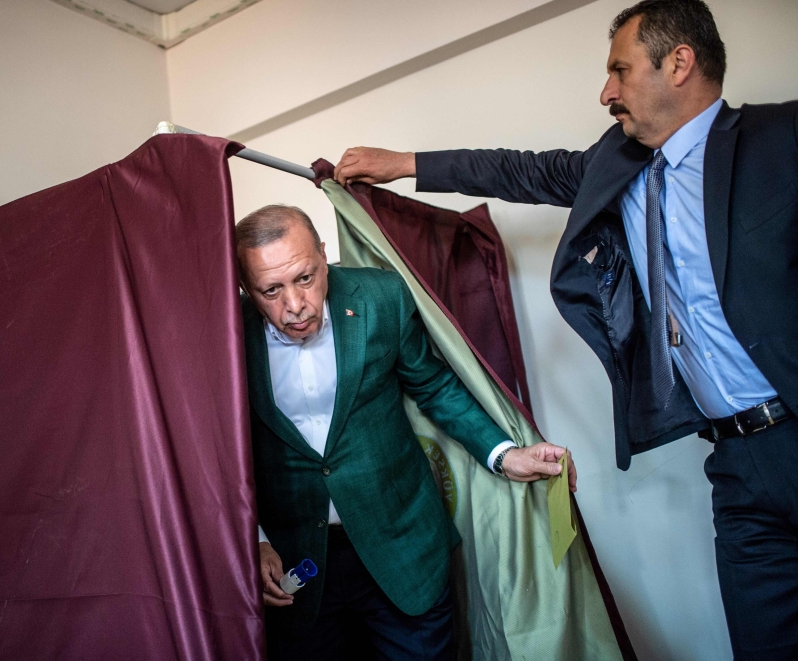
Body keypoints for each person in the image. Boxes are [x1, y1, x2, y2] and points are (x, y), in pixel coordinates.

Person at [333, 0, 798, 658]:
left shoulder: (780, 139)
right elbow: (518, 169)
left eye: (619, 70)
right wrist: (404, 162)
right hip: (734, 464)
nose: (606, 92)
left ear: (679, 63)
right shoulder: (618, 164)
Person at [236, 203, 576, 660]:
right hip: (295, 568)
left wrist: (505, 454)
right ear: (245, 287)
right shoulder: (225, 335)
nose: (294, 305)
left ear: (323, 255)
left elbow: (433, 385)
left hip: (403, 549)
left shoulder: (381, 297)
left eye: (305, 278)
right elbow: (216, 451)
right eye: (271, 290)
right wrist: (253, 540)